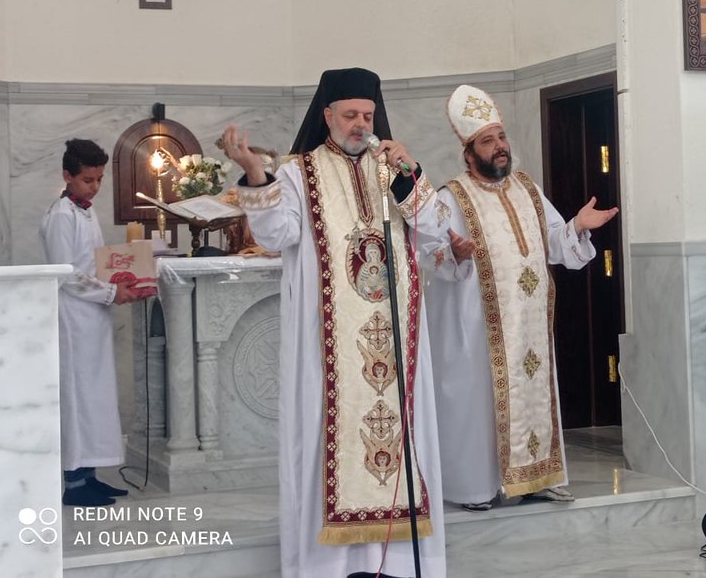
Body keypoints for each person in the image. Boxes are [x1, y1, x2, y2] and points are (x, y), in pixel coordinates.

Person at [221, 68, 446, 578]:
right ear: (327, 115)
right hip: (332, 352)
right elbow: (276, 234)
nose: (360, 125)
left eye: (367, 115)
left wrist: (409, 171)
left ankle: (398, 564)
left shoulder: (394, 168)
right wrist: (255, 172)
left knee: (400, 444)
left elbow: (434, 228)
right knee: (331, 447)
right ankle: (332, 567)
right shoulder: (300, 172)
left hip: (396, 341)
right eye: (350, 115)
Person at [421, 85, 619, 511]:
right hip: (478, 328)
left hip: (528, 326)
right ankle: (475, 488)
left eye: (501, 138)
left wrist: (578, 226)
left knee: (533, 393)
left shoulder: (527, 189)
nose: (499, 148)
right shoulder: (449, 198)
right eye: (487, 142)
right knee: (480, 404)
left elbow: (552, 242)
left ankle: (536, 479)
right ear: (469, 152)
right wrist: (454, 255)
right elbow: (431, 257)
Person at [40, 139, 140, 507]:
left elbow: (94, 263)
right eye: (87, 180)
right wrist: (112, 293)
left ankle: (91, 474)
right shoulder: (60, 217)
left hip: (93, 313)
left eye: (99, 179)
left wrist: (122, 279)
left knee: (97, 395)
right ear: (67, 176)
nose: (94, 187)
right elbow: (67, 275)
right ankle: (74, 483)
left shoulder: (86, 211)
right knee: (78, 395)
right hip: (72, 317)